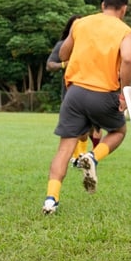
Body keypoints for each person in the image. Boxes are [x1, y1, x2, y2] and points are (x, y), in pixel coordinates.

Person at [42, 0, 131, 214]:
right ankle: (93, 157)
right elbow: (128, 58)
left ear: (103, 5)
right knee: (119, 132)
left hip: (74, 93)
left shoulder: (80, 23)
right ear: (123, 9)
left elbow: (63, 54)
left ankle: (51, 199)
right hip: (104, 94)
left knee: (64, 148)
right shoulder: (126, 32)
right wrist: (123, 92)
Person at [47, 14, 99, 164]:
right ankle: (78, 157)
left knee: (91, 128)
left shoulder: (90, 44)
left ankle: (86, 155)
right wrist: (65, 64)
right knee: (77, 128)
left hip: (91, 90)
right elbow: (50, 65)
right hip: (69, 91)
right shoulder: (62, 45)